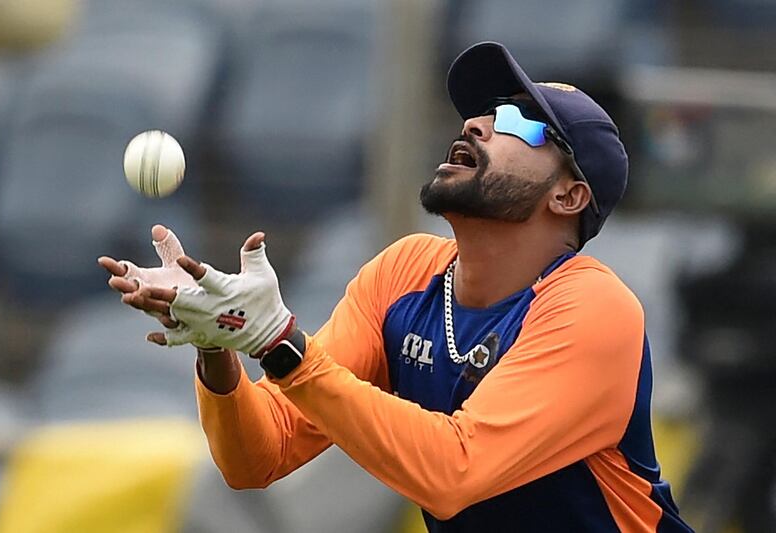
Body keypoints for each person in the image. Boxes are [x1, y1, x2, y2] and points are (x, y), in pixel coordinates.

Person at [99, 42, 693, 532]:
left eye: (518, 122)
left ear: (568, 196)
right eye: (484, 110)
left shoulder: (592, 305)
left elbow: (453, 472)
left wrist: (280, 342)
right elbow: (261, 455)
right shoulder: (404, 272)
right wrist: (217, 342)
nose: (477, 123)